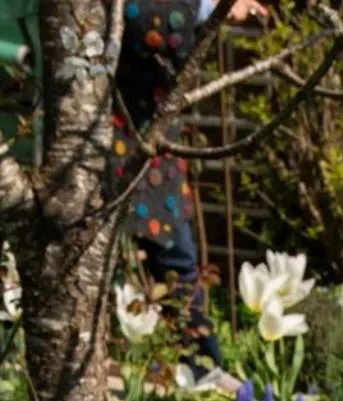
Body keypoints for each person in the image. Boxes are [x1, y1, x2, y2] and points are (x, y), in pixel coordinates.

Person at [113, 0, 266, 369]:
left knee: (178, 267)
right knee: (102, 270)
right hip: (113, 141)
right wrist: (210, 6)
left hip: (151, 146)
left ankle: (200, 370)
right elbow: (140, 19)